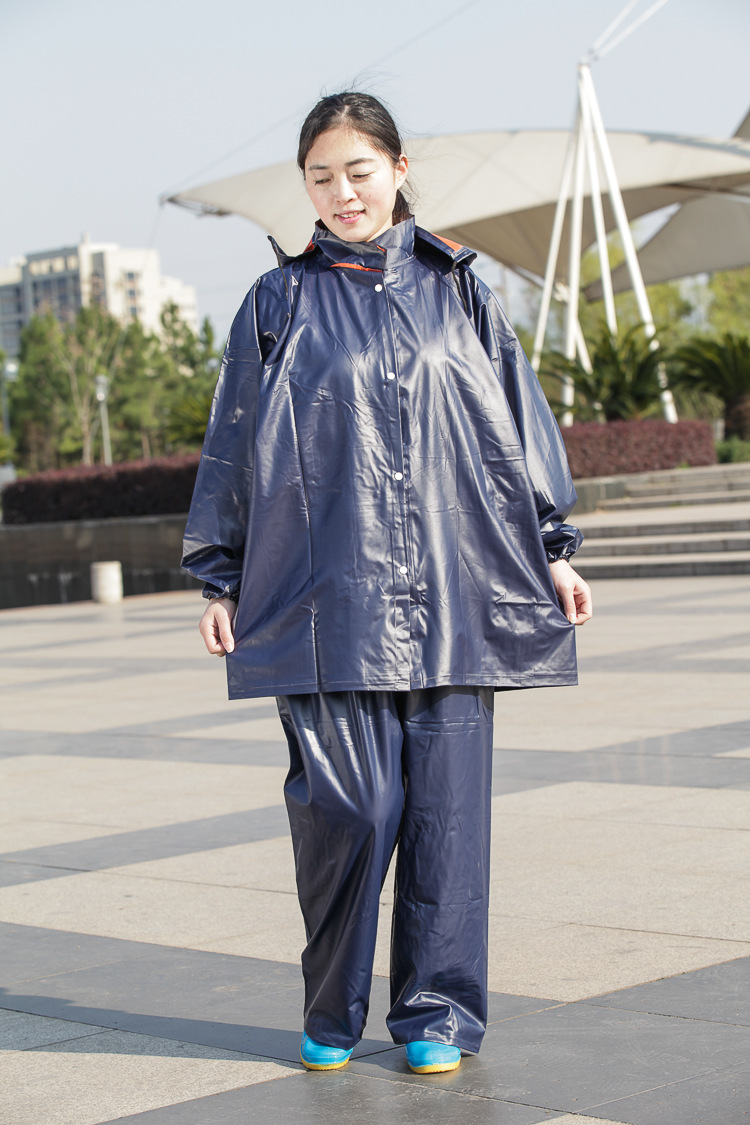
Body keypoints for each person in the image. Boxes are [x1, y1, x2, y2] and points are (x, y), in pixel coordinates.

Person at [182, 91, 592, 1077]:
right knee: (349, 810)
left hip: (458, 588)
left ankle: (437, 1016)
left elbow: (517, 421)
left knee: (450, 820)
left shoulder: (464, 290)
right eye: (321, 176)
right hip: (326, 598)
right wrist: (220, 577)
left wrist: (555, 546)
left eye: (358, 170)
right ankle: (333, 1001)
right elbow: (235, 447)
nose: (340, 191)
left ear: (398, 170)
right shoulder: (277, 303)